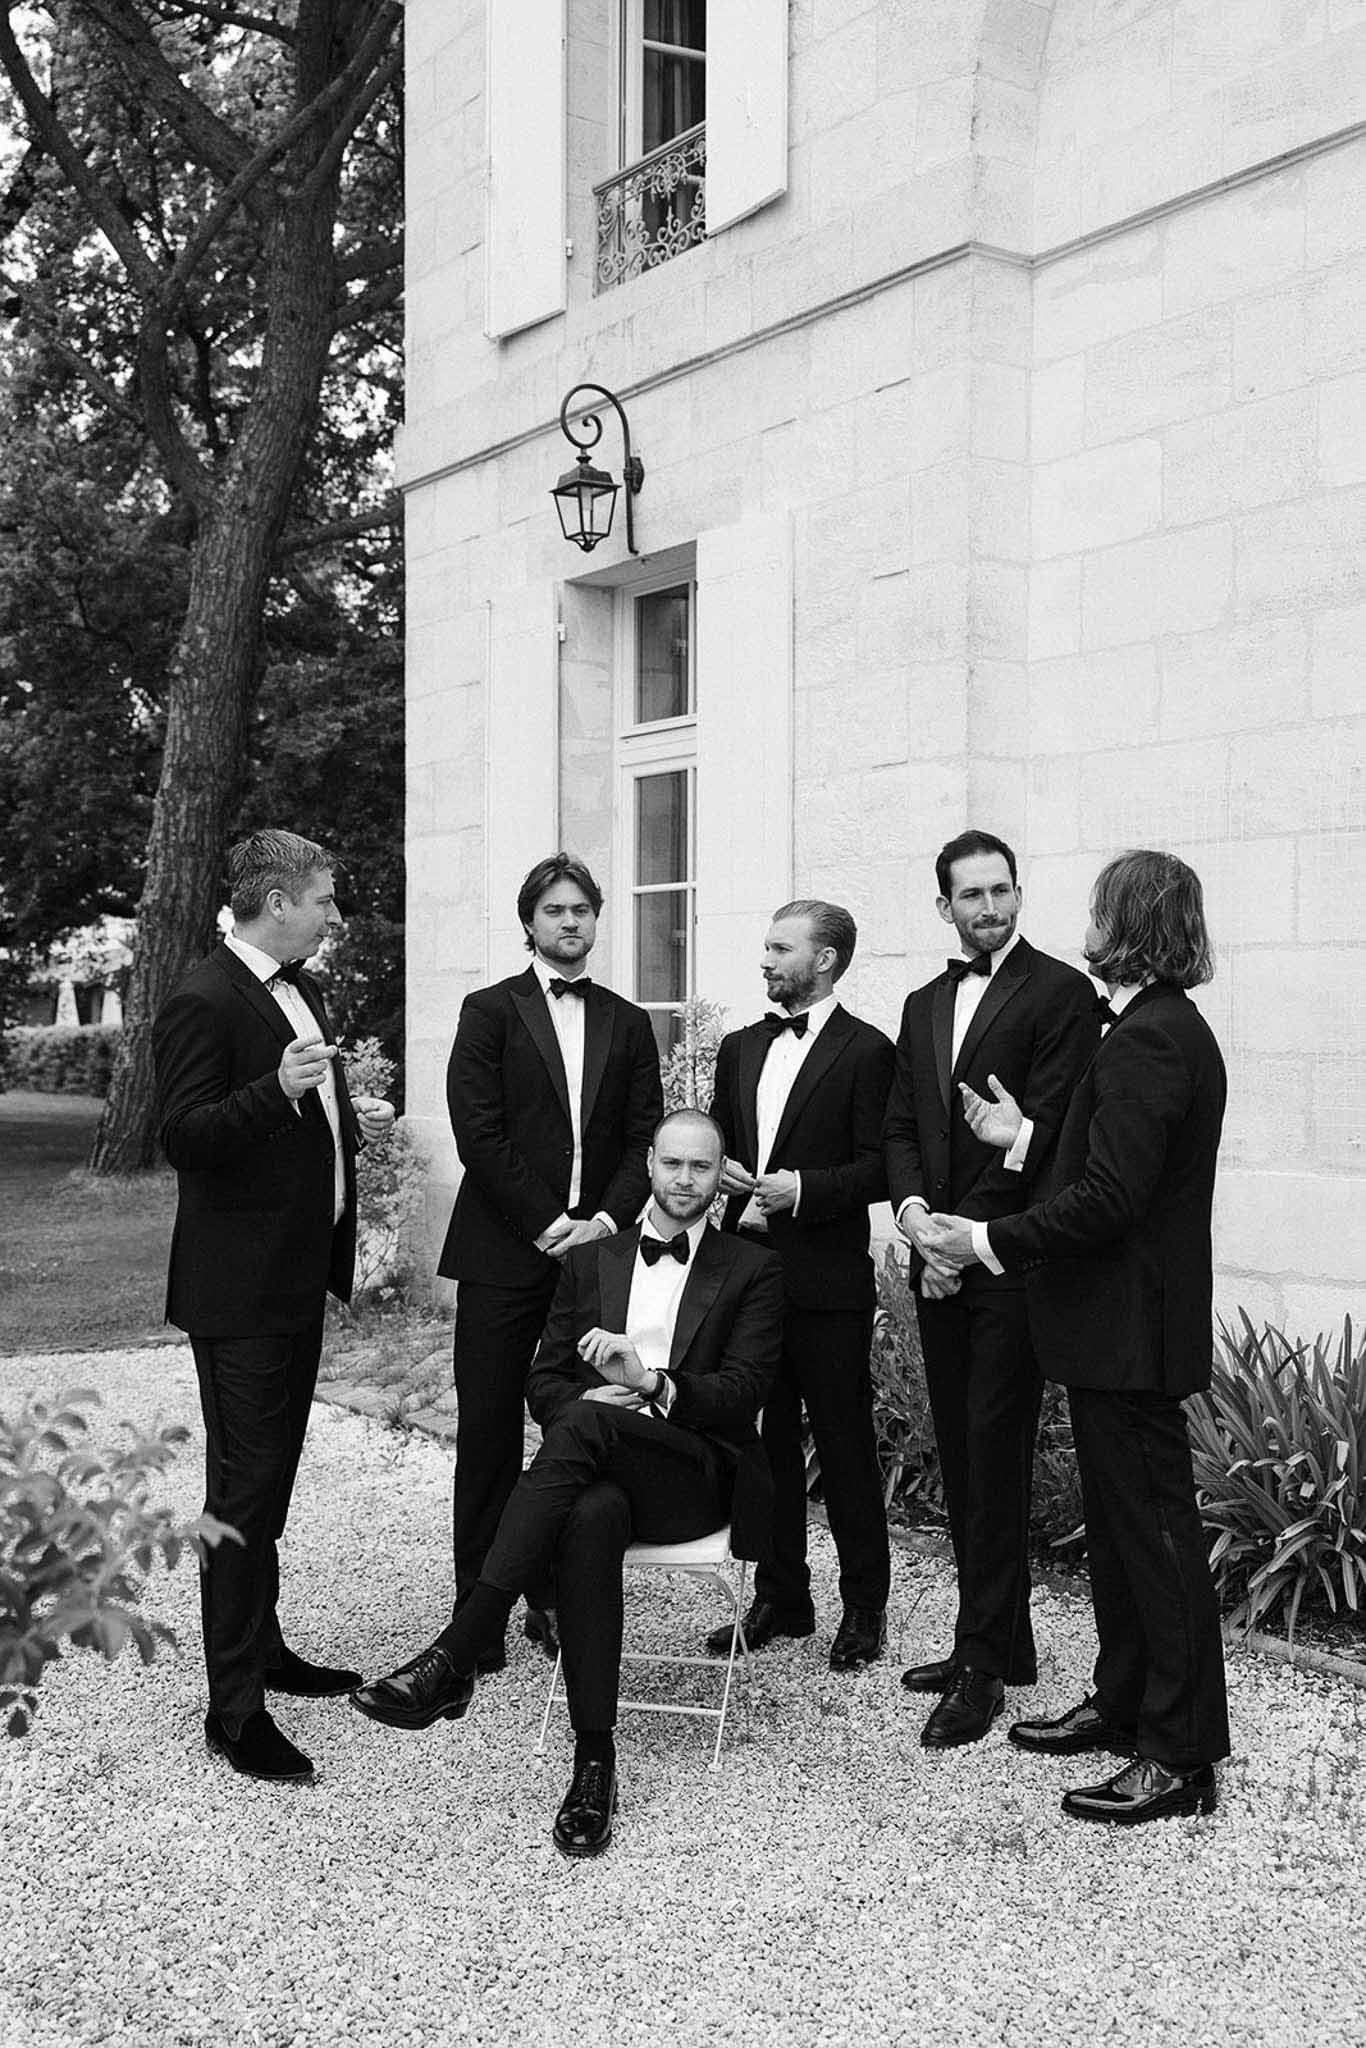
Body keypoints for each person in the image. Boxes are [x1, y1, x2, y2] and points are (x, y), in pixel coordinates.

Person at [352, 1109, 782, 1857]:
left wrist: (650, 1383)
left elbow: (745, 1392)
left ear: (721, 1177)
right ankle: (593, 1765)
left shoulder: (753, 1268)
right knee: (588, 1512)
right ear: (648, 1165)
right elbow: (544, 1380)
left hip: (694, 1476)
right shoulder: (591, 1261)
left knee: (585, 1426)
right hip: (600, 1470)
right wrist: (590, 1402)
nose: (685, 1179)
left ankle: (461, 1648)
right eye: (673, 1163)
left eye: (701, 1167)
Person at [923, 849, 1229, 1824]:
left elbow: (1109, 1197)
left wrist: (983, 1240)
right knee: (1124, 1535)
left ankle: (1179, 1756)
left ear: (1127, 924)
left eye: (1101, 908)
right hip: (1114, 1333)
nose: (1085, 923)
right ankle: (1123, 1701)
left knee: (1158, 1544)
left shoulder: (1149, 1038)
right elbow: (1108, 1157)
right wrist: (1018, 1138)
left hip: (1129, 1332)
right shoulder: (1151, 1027)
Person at [153, 828, 395, 1784]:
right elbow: (183, 1136)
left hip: (298, 1278)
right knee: (243, 1493)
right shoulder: (202, 996)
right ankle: (234, 1709)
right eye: (325, 898)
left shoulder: (306, 989)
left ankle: (267, 1648)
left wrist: (346, 1118)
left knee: (274, 1480)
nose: (335, 914)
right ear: (280, 901)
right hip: (240, 1292)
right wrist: (276, 1088)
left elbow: (299, 1116)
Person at [883, 831, 1100, 1749]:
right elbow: (901, 1126)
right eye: (970, 895)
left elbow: (1049, 1135)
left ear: (1019, 893)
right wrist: (916, 1219)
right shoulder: (923, 1002)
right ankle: (1003, 1643)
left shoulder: (1062, 994)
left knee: (994, 1461)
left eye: (1001, 890)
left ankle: (981, 1667)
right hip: (938, 1260)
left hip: (1006, 1268)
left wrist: (961, 1242)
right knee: (963, 1456)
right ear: (944, 906)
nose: (989, 907)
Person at [436, 853, 663, 1667]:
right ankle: (477, 1619)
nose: (570, 922)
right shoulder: (488, 1011)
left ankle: (558, 1598)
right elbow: (478, 1132)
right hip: (502, 1251)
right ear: (529, 922)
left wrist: (602, 1220)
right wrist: (544, 1222)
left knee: (581, 1425)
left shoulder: (628, 1022)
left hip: (595, 1258)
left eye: (581, 910)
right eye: (555, 911)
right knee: (489, 1431)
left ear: (597, 918)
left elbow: (643, 1137)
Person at [704, 899, 894, 1669]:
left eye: (781, 948)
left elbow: (883, 1167)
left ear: (824, 959)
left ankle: (865, 1608)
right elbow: (717, 1134)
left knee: (845, 1447)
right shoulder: (739, 1047)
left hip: (827, 1282)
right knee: (764, 1447)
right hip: (747, 1277)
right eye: (766, 946)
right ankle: (782, 1598)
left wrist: (805, 1190)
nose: (765, 959)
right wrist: (719, 1168)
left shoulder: (868, 1051)